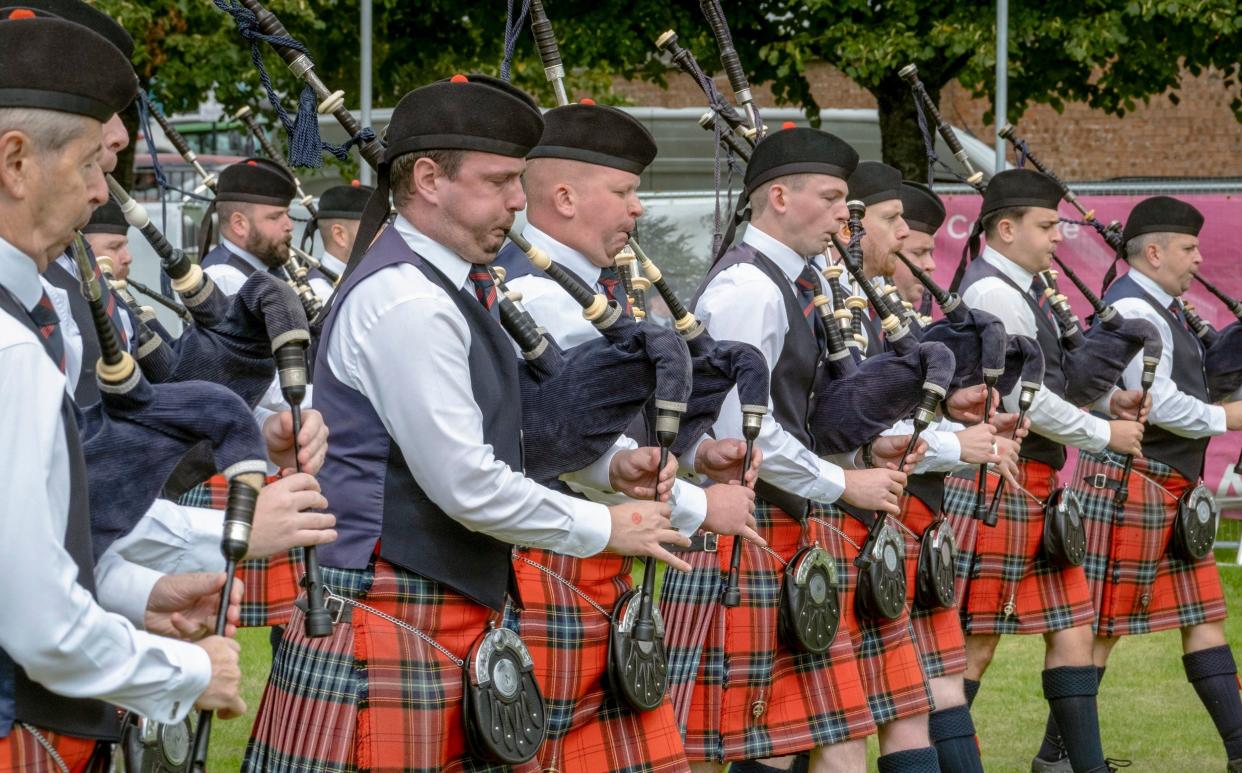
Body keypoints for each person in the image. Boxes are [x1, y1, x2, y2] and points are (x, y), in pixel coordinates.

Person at [244, 74, 693, 772]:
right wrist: (607, 526)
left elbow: (498, 431)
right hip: (385, 609)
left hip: (432, 606)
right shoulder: (406, 301)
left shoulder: (445, 286)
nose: (518, 201)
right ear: (427, 178)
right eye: (500, 181)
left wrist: (609, 468)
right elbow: (465, 483)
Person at [0, 15, 246, 769]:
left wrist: (136, 593)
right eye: (86, 165)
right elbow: (39, 619)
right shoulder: (11, 347)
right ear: (14, 161)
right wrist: (191, 671)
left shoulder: (33, 321)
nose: (101, 191)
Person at [496, 100, 763, 771]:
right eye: (623, 192)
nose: (638, 209)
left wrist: (697, 451)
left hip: (589, 548)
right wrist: (706, 506)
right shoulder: (542, 296)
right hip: (552, 560)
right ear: (563, 196)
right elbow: (569, 445)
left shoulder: (586, 286)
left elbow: (617, 431)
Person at [661, 127, 925, 773]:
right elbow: (742, 435)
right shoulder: (749, 290)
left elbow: (789, 413)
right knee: (714, 744)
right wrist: (844, 485)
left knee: (815, 732)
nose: (846, 214)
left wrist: (865, 446)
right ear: (779, 196)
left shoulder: (785, 283)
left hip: (778, 526)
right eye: (833, 197)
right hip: (739, 532)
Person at [1032, 196, 1242, 772]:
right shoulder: (1132, 309)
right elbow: (1160, 403)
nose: (1199, 258)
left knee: (1203, 617)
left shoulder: (1163, 307)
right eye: (1188, 248)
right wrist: (1229, 416)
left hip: (1169, 484)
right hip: (1132, 482)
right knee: (1100, 629)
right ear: (1154, 251)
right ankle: (1054, 759)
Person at [951, 169, 1147, 773]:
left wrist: (1102, 401)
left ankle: (1073, 767)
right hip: (997, 482)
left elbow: (1049, 383)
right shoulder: (995, 295)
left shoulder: (1021, 289)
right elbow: (1020, 401)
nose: (1060, 236)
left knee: (1072, 630)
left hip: (1033, 481)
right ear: (1005, 229)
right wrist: (1103, 433)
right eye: (1047, 225)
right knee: (976, 645)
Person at [304, 180, 372, 300]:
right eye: (374, 230)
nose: (384, 238)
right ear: (339, 235)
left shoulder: (366, 274)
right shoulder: (318, 292)